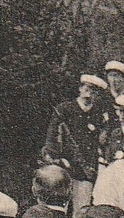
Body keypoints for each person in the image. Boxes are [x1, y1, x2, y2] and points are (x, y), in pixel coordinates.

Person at [41, 73, 111, 210]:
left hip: (85, 171)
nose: (89, 94)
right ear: (80, 88)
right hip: (62, 167)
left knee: (81, 210)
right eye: (87, 88)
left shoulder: (99, 114)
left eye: (94, 91)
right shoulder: (64, 109)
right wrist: (55, 157)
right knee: (54, 208)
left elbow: (103, 142)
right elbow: (52, 136)